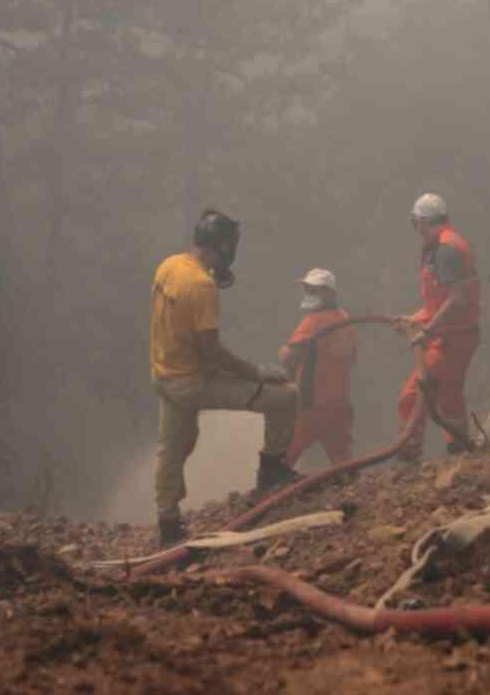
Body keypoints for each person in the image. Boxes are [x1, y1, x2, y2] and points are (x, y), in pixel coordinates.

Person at [149, 209, 302, 546]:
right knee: (286, 396)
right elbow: (212, 351)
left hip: (164, 376)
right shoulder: (202, 286)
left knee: (173, 448)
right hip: (191, 382)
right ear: (221, 246)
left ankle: (168, 525)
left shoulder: (169, 265)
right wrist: (255, 373)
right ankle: (272, 468)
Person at [394, 193, 481, 460]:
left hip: (451, 338)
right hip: (456, 334)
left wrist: (427, 329)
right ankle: (460, 451)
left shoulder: (447, 250)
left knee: (413, 395)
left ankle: (410, 454)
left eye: (416, 224)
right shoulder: (441, 247)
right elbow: (437, 302)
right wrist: (415, 320)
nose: (417, 232)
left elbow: (457, 299)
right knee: (449, 396)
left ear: (422, 222)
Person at [280, 269, 358, 468]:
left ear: (330, 293)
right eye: (308, 288)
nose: (309, 293)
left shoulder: (313, 322)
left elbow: (289, 358)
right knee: (343, 463)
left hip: (311, 405)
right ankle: (351, 493)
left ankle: (269, 495)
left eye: (314, 289)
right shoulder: (346, 319)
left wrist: (283, 352)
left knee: (284, 458)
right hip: (340, 404)